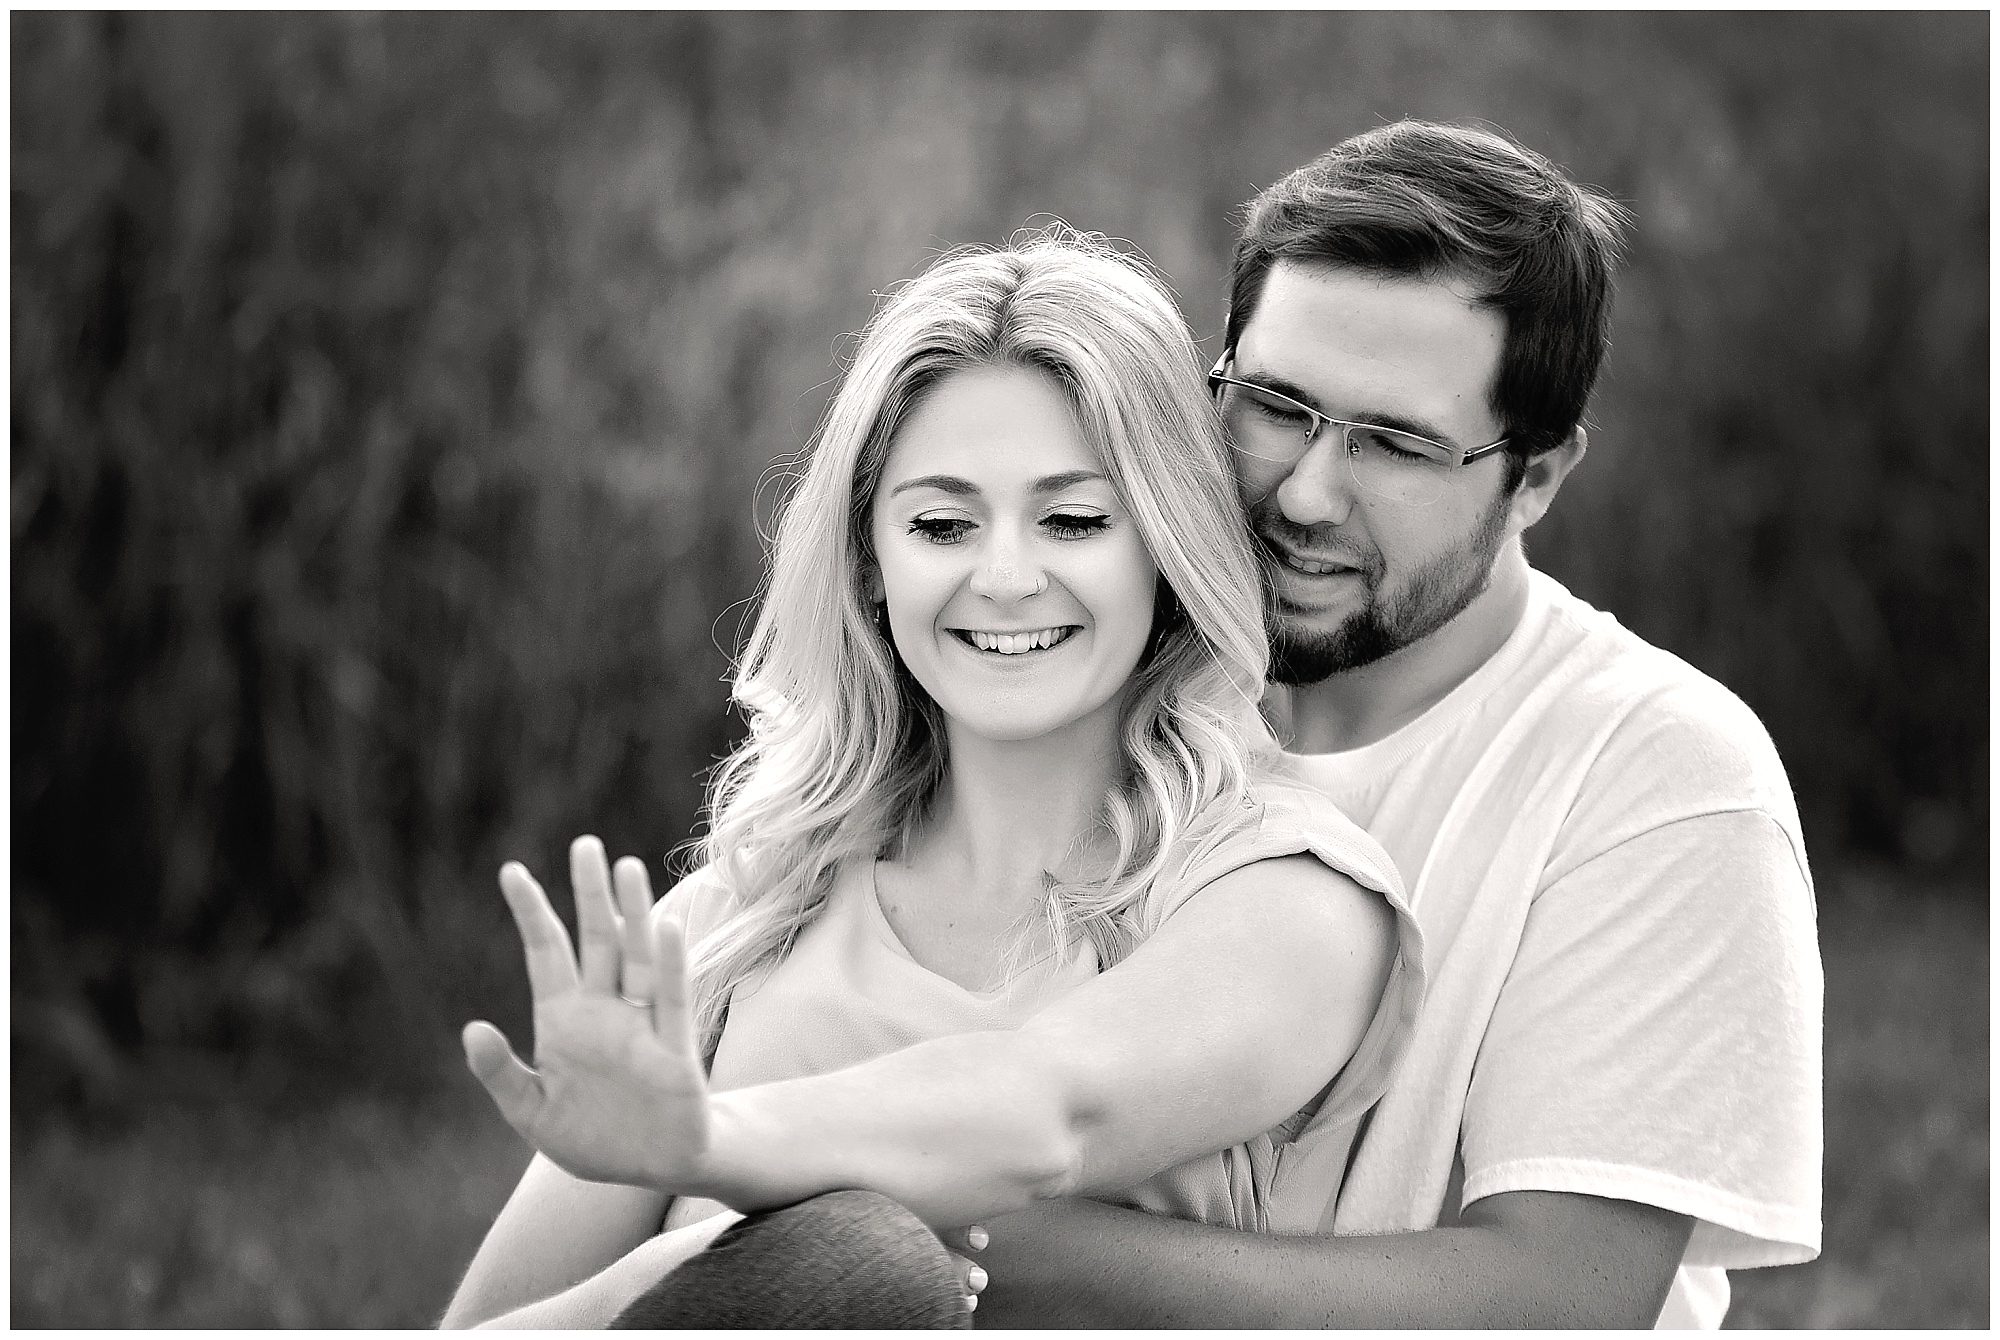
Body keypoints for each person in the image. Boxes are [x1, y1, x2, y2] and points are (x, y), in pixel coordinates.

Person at [439, 232, 1427, 1329]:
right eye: (941, 524)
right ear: (870, 560)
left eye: (1074, 518)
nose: (1003, 577)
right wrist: (644, 1276)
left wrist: (709, 1148)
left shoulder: (1288, 896)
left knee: (864, 1262)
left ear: (1167, 542)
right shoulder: (751, 904)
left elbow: (1045, 1110)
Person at [958, 121, 1823, 1329]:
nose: (1306, 493)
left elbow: (1557, 1294)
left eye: (1398, 442)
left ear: (1537, 476)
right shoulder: (1095, 662)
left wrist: (973, 1241)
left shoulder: (1653, 766)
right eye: (1274, 405)